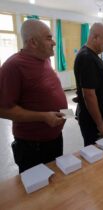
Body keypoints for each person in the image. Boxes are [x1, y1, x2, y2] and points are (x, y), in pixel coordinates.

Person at [0, 19, 67, 173]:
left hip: (54, 137)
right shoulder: (13, 66)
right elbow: (3, 109)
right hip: (33, 145)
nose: (54, 43)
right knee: (36, 190)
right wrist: (43, 117)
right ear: (33, 43)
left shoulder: (45, 59)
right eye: (49, 38)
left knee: (55, 182)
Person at [74, 23, 103, 146]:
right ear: (94, 37)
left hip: (94, 120)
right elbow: (89, 94)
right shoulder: (87, 57)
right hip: (92, 122)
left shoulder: (91, 56)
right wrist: (100, 124)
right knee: (94, 154)